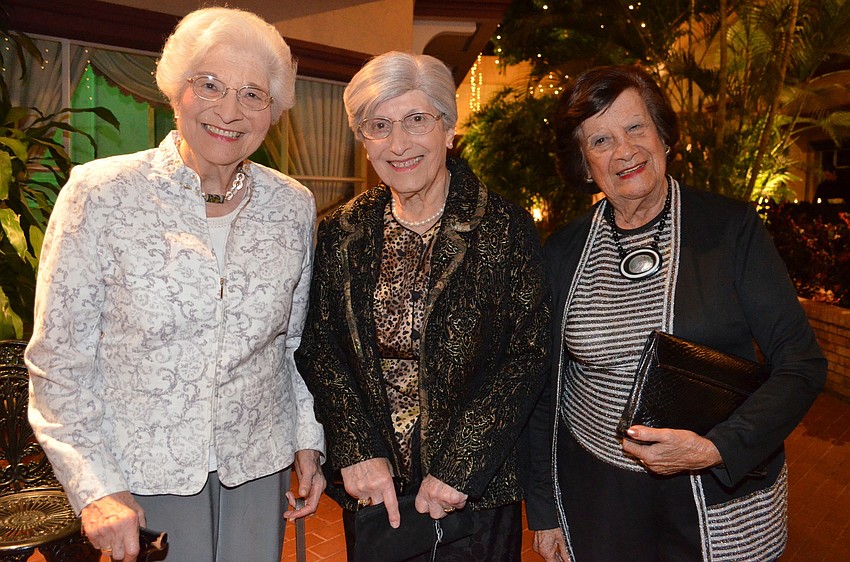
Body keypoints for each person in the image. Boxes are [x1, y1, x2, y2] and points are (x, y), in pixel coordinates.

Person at [26, 7, 325, 561]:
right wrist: (95, 488)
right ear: (174, 91)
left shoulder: (292, 207)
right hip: (138, 478)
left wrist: (307, 440)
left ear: (274, 109)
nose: (229, 111)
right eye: (209, 85)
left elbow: (290, 348)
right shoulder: (101, 195)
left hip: (257, 471)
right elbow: (60, 363)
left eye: (252, 94)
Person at [525, 65, 827, 562]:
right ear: (584, 166)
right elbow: (544, 391)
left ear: (663, 136)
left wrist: (718, 448)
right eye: (600, 140)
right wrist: (545, 507)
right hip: (599, 498)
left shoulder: (730, 231)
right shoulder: (563, 252)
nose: (624, 150)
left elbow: (800, 364)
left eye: (636, 127)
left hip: (714, 491)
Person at [294, 51, 550, 561]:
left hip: (472, 491)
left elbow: (527, 356)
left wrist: (460, 466)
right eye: (379, 126)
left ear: (449, 129)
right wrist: (356, 448)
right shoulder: (342, 230)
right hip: (374, 489)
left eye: (417, 120)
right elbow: (320, 346)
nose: (399, 143)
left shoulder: (504, 227)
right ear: (364, 142)